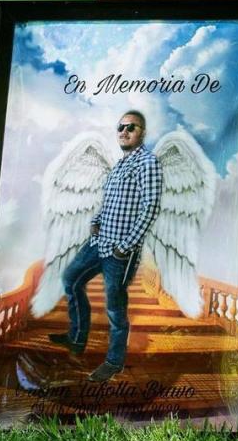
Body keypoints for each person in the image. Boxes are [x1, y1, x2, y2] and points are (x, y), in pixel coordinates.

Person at [50, 111, 163, 383]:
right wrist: (96, 221)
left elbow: (151, 208)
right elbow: (110, 202)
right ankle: (77, 339)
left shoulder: (148, 163)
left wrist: (126, 246)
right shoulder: (120, 165)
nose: (123, 131)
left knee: (115, 308)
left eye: (130, 127)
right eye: (120, 127)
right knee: (71, 279)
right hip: (99, 242)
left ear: (142, 133)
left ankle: (113, 362)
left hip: (119, 251)